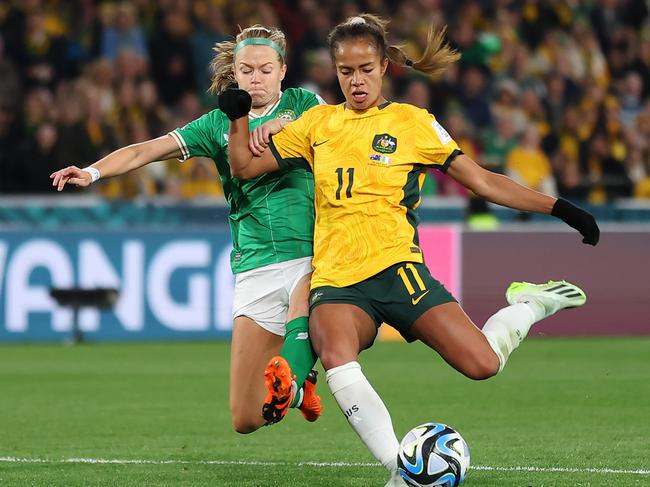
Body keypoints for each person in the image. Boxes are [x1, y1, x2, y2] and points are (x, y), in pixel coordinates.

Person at [220, 14, 600, 486]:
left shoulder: (413, 123)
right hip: (338, 279)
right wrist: (238, 118)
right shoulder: (316, 124)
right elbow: (243, 167)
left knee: (481, 364)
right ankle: (400, 475)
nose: (355, 81)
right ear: (335, 73)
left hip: (399, 270)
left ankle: (528, 304)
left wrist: (559, 207)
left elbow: (480, 181)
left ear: (384, 67)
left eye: (364, 69)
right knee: (336, 351)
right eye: (345, 71)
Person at [50, 25, 324, 433]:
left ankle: (335, 399)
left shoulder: (307, 104)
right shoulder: (217, 124)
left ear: (283, 70)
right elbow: (147, 149)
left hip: (313, 255)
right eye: (246, 70)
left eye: (265, 69)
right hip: (256, 266)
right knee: (245, 418)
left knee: (336, 345)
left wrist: (283, 127)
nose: (256, 78)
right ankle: (300, 390)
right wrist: (92, 172)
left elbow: (344, 133)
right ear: (234, 72)